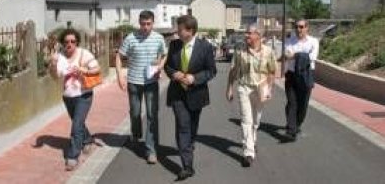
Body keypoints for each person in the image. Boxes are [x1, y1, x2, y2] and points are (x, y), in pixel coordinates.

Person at [165, 15, 217, 181]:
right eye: (178, 29)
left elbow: (211, 71)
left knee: (192, 127)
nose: (177, 32)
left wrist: (195, 78)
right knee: (183, 126)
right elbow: (167, 66)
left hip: (196, 94)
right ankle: (187, 166)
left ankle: (189, 144)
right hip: (177, 94)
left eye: (180, 29)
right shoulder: (174, 45)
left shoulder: (205, 47)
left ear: (190, 30)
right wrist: (174, 73)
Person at [115, 10, 167, 164]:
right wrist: (119, 75)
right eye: (143, 24)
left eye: (148, 24)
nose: (145, 27)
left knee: (152, 115)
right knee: (135, 113)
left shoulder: (158, 38)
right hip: (134, 82)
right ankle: (136, 133)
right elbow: (119, 55)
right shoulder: (131, 38)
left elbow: (164, 54)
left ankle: (151, 150)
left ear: (153, 23)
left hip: (151, 83)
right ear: (139, 23)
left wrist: (160, 67)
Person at [49, 28, 101, 171]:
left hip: (84, 95)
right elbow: (55, 77)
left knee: (76, 125)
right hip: (68, 96)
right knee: (78, 122)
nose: (69, 44)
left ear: (77, 42)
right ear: (62, 43)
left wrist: (82, 70)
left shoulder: (84, 54)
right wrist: (53, 63)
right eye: (66, 41)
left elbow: (97, 69)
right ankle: (88, 140)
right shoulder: (59, 57)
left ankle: (72, 156)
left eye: (73, 41)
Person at [226, 25, 277, 167]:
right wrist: (229, 87)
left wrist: (270, 88)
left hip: (260, 89)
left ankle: (253, 140)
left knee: (256, 121)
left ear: (258, 35)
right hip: (244, 87)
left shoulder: (268, 52)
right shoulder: (240, 51)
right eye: (246, 33)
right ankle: (248, 152)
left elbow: (272, 71)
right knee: (246, 120)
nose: (246, 35)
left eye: (249, 33)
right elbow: (233, 70)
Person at [284, 19, 319, 141]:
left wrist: (296, 55)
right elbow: (287, 55)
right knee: (292, 102)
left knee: (303, 105)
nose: (298, 29)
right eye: (296, 27)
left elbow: (312, 57)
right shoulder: (290, 41)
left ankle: (296, 124)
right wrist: (301, 55)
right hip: (291, 75)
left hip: (306, 75)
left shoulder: (314, 41)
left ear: (307, 28)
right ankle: (291, 130)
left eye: (301, 27)